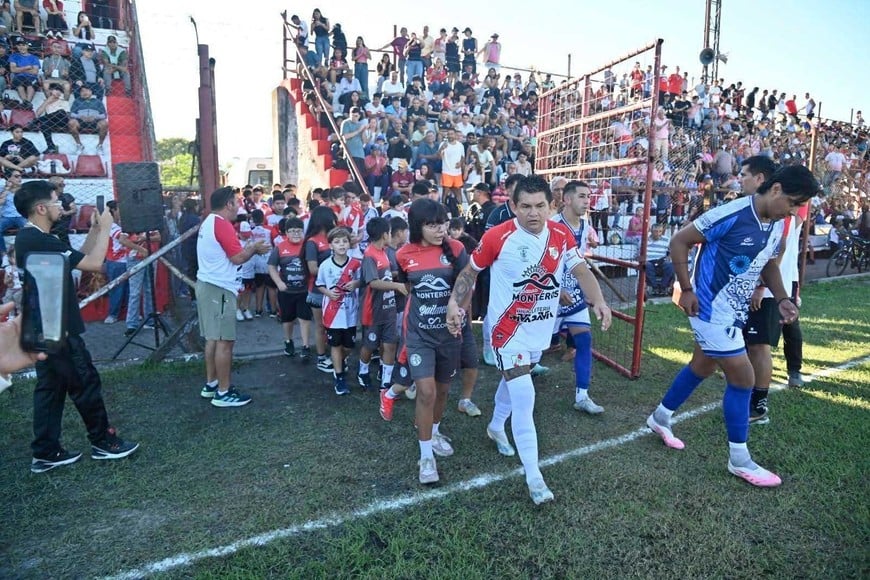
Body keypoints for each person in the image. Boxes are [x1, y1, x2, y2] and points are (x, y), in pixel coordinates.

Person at [646, 165, 819, 488]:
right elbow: (680, 241)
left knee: (702, 364)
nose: (794, 211)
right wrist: (686, 289)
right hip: (709, 307)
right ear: (777, 189)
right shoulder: (732, 213)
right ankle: (739, 460)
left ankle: (660, 417)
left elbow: (767, 262)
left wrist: (781, 297)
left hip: (734, 310)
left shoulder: (778, 223)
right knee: (744, 377)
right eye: (794, 202)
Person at [446, 175, 612, 504]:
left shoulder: (562, 234)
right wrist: (455, 302)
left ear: (551, 206)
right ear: (513, 206)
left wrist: (600, 300)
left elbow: (580, 270)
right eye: (525, 206)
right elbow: (470, 272)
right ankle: (534, 476)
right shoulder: (498, 236)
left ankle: (495, 426)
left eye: (540, 206)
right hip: (506, 331)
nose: (533, 214)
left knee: (514, 383)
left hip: (539, 328)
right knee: (525, 395)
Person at [14, 180, 139, 472]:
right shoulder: (37, 239)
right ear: (41, 208)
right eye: (56, 201)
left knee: (51, 389)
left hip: (45, 326)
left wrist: (95, 229)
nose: (62, 206)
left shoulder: (34, 238)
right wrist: (108, 227)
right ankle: (103, 442)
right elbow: (95, 264)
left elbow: (77, 258)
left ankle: (45, 451)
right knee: (85, 382)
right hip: (57, 326)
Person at [388, 198, 467, 484]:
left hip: (449, 335)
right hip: (419, 336)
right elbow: (408, 288)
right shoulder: (403, 254)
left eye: (444, 223)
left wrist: (458, 308)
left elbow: (466, 283)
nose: (441, 229)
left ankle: (433, 432)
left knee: (443, 392)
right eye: (433, 225)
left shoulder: (456, 249)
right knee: (426, 392)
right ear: (417, 226)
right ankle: (425, 457)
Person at [196, 186, 270, 407]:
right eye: (236, 202)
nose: (238, 205)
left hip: (209, 285)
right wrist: (254, 249)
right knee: (224, 342)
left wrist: (248, 248)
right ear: (228, 204)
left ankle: (212, 384)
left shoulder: (209, 221)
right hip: (218, 288)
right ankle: (223, 392)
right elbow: (238, 258)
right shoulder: (221, 224)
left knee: (213, 338)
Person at [550, 180, 611, 415]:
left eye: (589, 196)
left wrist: (595, 297)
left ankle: (582, 396)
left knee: (584, 340)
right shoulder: (552, 225)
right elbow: (539, 262)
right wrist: (554, 289)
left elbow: (580, 264)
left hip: (573, 293)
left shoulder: (585, 226)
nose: (587, 201)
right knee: (537, 347)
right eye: (582, 196)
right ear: (566, 199)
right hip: (549, 295)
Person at [358, 217, 405, 391]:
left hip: (389, 308)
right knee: (370, 345)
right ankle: (362, 371)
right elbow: (373, 282)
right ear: (385, 234)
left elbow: (384, 274)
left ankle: (386, 381)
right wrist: (397, 286)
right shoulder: (370, 255)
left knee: (390, 344)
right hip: (373, 310)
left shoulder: (384, 251)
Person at [316, 227, 361, 395]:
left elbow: (362, 281)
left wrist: (355, 284)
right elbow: (319, 284)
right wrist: (328, 292)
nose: (341, 244)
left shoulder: (356, 263)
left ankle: (340, 362)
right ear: (330, 246)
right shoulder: (325, 265)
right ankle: (339, 376)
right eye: (337, 242)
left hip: (350, 313)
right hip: (332, 313)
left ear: (349, 243)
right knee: (335, 345)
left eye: (344, 241)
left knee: (348, 346)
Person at [268, 217, 312, 360]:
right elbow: (271, 267)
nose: (296, 234)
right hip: (286, 291)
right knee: (287, 320)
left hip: (304, 290)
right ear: (286, 233)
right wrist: (279, 282)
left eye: (299, 231)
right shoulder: (280, 247)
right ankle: (288, 341)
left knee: (304, 318)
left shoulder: (307, 246)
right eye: (292, 231)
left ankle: (305, 346)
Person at [303, 205, 338, 372]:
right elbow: (312, 269)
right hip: (318, 291)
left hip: (336, 290)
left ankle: (335, 354)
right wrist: (333, 269)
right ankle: (321, 357)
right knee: (320, 325)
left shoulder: (333, 237)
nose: (334, 220)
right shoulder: (312, 242)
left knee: (334, 325)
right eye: (331, 217)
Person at [68, 84, 108, 153]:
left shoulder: (97, 102)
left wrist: (95, 117)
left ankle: (100, 145)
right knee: (71, 122)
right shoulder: (77, 101)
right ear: (80, 93)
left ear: (91, 92)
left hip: (95, 122)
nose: (85, 92)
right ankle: (79, 145)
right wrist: (80, 117)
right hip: (80, 121)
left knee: (104, 123)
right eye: (82, 91)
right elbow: (71, 114)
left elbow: (104, 115)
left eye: (87, 90)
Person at [0, 169, 26, 255]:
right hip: (7, 217)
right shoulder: (3, 189)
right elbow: (1, 202)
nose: (19, 178)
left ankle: (23, 252)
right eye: (16, 176)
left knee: (29, 230)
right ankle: (3, 254)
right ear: (9, 178)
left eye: (20, 176)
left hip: (20, 216)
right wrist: (7, 189)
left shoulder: (24, 190)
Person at [644, 223, 673, 296]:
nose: (658, 233)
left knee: (670, 265)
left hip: (661, 261)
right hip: (649, 261)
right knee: (647, 265)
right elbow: (639, 253)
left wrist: (669, 257)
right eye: (656, 231)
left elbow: (671, 251)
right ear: (651, 231)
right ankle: (655, 287)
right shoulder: (645, 239)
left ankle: (663, 287)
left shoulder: (666, 239)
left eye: (660, 231)